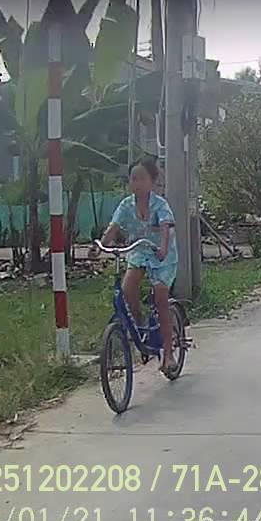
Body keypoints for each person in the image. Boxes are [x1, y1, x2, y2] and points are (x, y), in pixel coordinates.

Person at [89, 157, 179, 374]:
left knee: (161, 298)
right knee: (127, 289)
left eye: (141, 178)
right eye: (133, 178)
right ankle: (139, 326)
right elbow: (113, 228)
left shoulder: (160, 205)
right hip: (138, 252)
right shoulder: (126, 205)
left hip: (162, 256)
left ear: (152, 181)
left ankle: (168, 353)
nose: (136, 183)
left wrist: (163, 248)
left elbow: (166, 227)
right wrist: (100, 247)